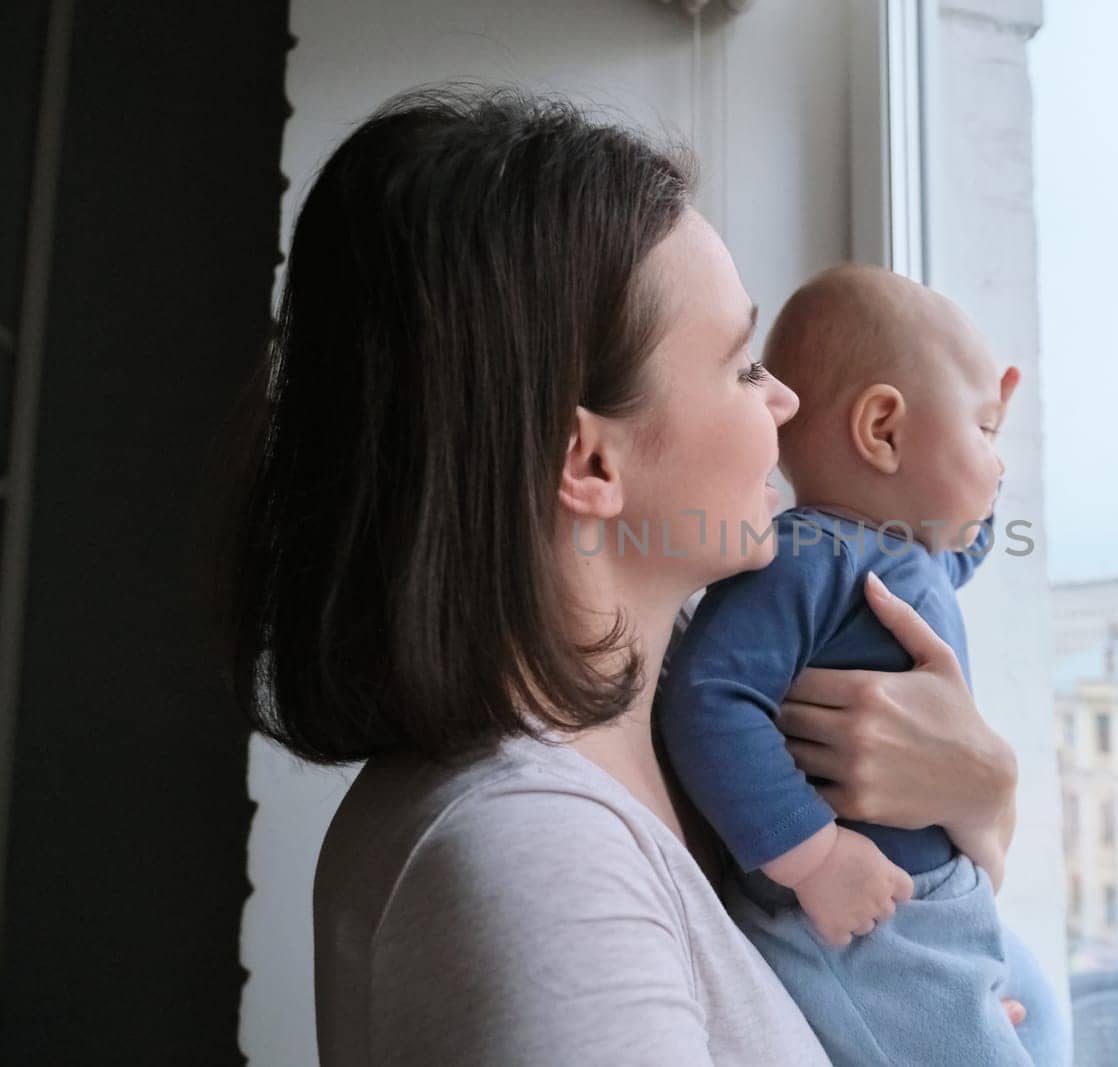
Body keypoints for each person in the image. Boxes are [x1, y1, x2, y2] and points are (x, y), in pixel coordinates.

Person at [222, 87, 1031, 1065]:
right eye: (742, 366)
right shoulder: (535, 861)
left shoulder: (682, 729)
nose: (782, 402)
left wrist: (981, 794)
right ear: (589, 463)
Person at [657, 265, 1069, 1065]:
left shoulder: (908, 555)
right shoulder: (805, 558)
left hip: (930, 906)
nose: (999, 463)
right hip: (866, 920)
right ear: (883, 429)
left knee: (1041, 1025)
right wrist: (815, 856)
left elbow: (969, 535)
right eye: (983, 434)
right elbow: (707, 701)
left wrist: (985, 435)